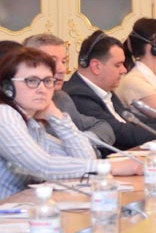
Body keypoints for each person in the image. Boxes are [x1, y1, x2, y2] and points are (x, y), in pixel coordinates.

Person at [0, 47, 141, 197]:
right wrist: (111, 167)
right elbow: (42, 166)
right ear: (7, 87)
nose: (42, 89)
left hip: (26, 205)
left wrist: (56, 116)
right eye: (32, 81)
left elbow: (85, 158)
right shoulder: (4, 115)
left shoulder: (33, 124)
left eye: (47, 81)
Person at [64, 31, 156, 150]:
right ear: (96, 67)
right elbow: (120, 133)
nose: (124, 70)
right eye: (118, 65)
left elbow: (138, 121)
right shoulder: (78, 94)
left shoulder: (104, 89)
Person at [21, 34, 115, 146]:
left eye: (64, 61)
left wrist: (82, 143)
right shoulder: (15, 108)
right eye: (52, 61)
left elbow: (103, 127)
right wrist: (74, 147)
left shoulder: (60, 98)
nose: (62, 69)